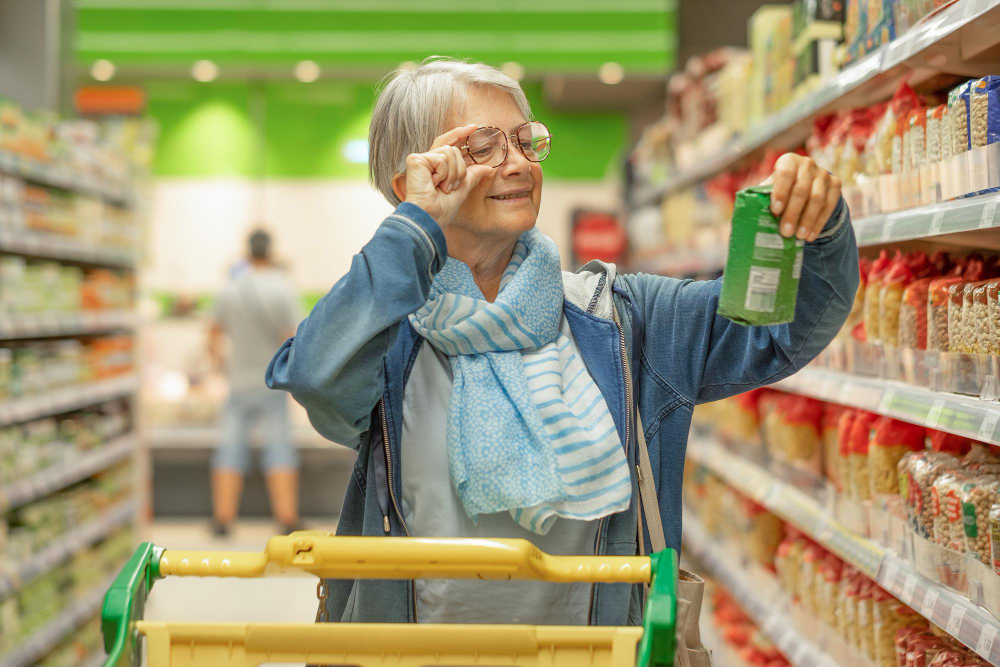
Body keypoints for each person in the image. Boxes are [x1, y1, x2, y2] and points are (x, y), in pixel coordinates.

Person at [267, 58, 858, 625]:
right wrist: (413, 229)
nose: (519, 163)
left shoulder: (624, 319)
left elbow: (781, 330)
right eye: (483, 147)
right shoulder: (387, 339)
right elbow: (316, 376)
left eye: (525, 141)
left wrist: (817, 222)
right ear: (414, 182)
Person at [210, 230, 303, 536]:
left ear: (247, 252)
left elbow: (212, 336)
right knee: (279, 450)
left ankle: (223, 520)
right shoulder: (283, 288)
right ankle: (287, 519)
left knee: (229, 450)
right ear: (271, 251)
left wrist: (223, 367)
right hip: (272, 384)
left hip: (238, 383)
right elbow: (293, 338)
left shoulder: (230, 287)